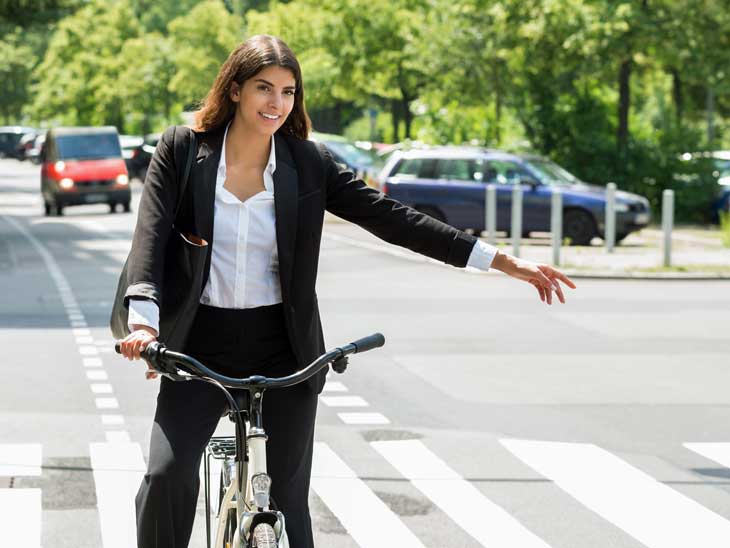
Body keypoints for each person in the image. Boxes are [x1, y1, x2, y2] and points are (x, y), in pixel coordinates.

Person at [117, 34, 576, 548]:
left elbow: (393, 219)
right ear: (236, 90)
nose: (277, 103)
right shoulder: (183, 151)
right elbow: (150, 239)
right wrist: (144, 323)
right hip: (198, 343)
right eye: (264, 88)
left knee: (288, 503)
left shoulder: (307, 163)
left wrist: (499, 260)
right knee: (165, 478)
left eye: (289, 92)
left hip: (283, 347)